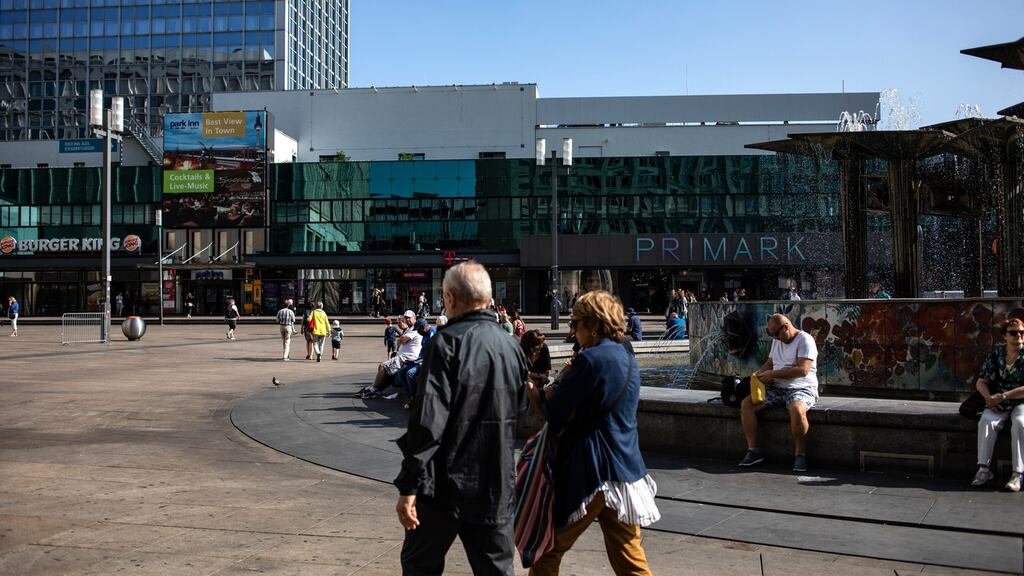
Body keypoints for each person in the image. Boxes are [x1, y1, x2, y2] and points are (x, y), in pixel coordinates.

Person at [394, 261, 528, 575]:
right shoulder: (511, 346)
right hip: (496, 482)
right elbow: (519, 410)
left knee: (419, 565)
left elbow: (428, 421)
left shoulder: (446, 342)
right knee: (496, 568)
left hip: (444, 484)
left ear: (451, 298)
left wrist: (408, 485)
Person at [526, 290, 658, 575]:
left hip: (590, 471)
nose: (573, 330)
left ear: (594, 324)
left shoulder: (591, 360)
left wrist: (536, 393)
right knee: (629, 556)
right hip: (624, 469)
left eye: (575, 322)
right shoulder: (626, 356)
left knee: (548, 549)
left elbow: (553, 412)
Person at [738, 313, 819, 472]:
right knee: (747, 404)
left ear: (786, 327)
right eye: (772, 334)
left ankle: (800, 455)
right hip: (777, 388)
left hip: (801, 387)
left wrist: (773, 374)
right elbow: (771, 362)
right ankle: (753, 451)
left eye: (776, 333)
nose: (775, 338)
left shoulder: (805, 340)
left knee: (796, 409)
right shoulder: (777, 340)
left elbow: (802, 370)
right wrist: (758, 375)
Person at [971, 317, 1024, 492]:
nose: (1019, 336)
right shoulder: (995, 356)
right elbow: (981, 382)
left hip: (1021, 402)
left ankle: (1018, 474)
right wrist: (989, 399)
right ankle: (984, 470)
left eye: (1022, 333)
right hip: (998, 402)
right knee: (986, 421)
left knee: (1020, 423)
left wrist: (1003, 396)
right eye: (1014, 333)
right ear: (1004, 336)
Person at [362, 311, 421, 398]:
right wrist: (400, 340)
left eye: (409, 317)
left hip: (406, 358)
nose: (407, 319)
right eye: (406, 318)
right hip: (402, 357)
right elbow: (400, 340)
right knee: (386, 370)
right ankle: (375, 388)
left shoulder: (415, 329)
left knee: (382, 366)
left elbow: (402, 340)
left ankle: (373, 388)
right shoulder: (409, 328)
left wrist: (401, 340)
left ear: (414, 318)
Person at [398, 317, 436, 409]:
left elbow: (432, 353)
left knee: (410, 373)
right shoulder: (425, 334)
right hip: (420, 361)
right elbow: (422, 352)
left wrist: (419, 362)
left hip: (427, 363)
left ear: (424, 327)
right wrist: (414, 360)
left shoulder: (432, 334)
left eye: (419, 330)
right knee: (401, 372)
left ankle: (415, 399)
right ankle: (410, 397)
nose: (418, 332)